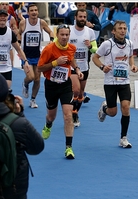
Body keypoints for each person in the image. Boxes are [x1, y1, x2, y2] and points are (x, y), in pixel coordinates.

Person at [37, 24, 84, 159]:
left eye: (66, 35)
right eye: (62, 35)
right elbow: (40, 68)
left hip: (65, 85)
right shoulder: (49, 49)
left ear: (69, 35)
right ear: (57, 35)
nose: (64, 37)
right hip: (51, 86)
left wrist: (77, 69)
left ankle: (68, 147)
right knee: (52, 116)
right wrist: (55, 63)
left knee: (68, 115)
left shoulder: (72, 48)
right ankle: (48, 124)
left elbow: (72, 59)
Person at [93, 20, 138, 148]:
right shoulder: (107, 44)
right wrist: (102, 67)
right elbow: (95, 58)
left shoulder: (130, 43)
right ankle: (104, 109)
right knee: (113, 112)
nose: (123, 30)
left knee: (126, 107)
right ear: (114, 31)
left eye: (125, 28)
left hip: (124, 82)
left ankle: (123, 138)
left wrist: (133, 65)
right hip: (110, 82)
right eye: (120, 28)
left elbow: (130, 56)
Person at [19, 3, 54, 109]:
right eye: (32, 10)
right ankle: (25, 83)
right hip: (26, 56)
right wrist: (19, 42)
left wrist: (51, 40)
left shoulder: (41, 22)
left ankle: (33, 100)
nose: (34, 12)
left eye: (35, 10)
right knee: (31, 77)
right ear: (28, 12)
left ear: (37, 12)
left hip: (38, 56)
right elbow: (19, 33)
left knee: (37, 79)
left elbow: (51, 32)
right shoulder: (23, 23)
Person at [69, 8, 98, 127]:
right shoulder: (69, 30)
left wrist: (90, 45)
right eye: (80, 17)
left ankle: (75, 113)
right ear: (75, 18)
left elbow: (95, 49)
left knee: (80, 94)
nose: (82, 19)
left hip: (84, 66)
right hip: (71, 66)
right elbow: (58, 42)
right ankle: (72, 113)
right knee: (75, 90)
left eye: (84, 17)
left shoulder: (90, 32)